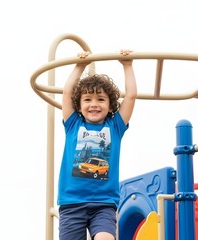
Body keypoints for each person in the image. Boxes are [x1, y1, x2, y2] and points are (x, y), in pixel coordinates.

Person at [58, 49, 137, 240]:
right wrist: (80, 66)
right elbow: (67, 92)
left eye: (101, 99)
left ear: (110, 106)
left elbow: (131, 97)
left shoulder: (115, 126)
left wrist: (127, 65)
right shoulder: (73, 124)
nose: (94, 104)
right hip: (72, 203)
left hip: (103, 204)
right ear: (79, 105)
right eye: (87, 100)